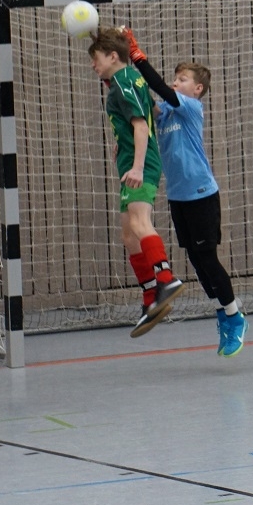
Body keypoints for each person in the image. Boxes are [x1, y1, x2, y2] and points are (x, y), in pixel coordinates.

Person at [122, 29, 248, 357]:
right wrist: (119, 71)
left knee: (207, 258)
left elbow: (159, 88)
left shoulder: (190, 108)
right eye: (175, 79)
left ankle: (234, 316)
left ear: (197, 89)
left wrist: (138, 57)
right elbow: (146, 98)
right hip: (178, 198)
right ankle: (222, 312)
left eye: (182, 79)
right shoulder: (164, 111)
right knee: (195, 260)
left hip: (201, 194)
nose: (175, 83)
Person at [88, 27, 184, 337]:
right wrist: (123, 140)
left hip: (139, 166)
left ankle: (166, 279)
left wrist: (139, 166)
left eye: (96, 58)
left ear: (113, 56)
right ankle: (150, 297)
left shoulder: (124, 82)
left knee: (140, 223)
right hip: (130, 160)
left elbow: (142, 125)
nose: (93, 65)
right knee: (129, 234)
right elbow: (152, 109)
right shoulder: (127, 80)